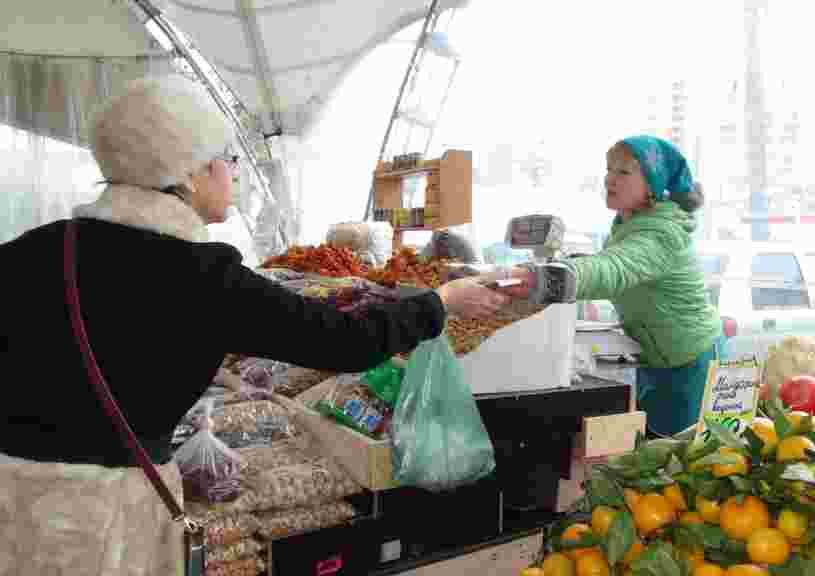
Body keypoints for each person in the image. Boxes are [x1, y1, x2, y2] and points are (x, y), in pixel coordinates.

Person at [0, 75, 507, 576]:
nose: (236, 173)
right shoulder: (201, 276)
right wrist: (441, 300)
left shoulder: (38, 248)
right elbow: (345, 342)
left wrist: (210, 371)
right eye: (229, 158)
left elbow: (96, 341)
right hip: (109, 526)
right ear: (190, 172)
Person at [503, 136, 721, 437]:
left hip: (688, 362)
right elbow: (612, 263)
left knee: (677, 463)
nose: (609, 179)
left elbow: (613, 269)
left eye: (624, 172)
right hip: (656, 356)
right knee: (653, 451)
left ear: (654, 185)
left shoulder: (661, 234)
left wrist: (542, 278)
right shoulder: (630, 225)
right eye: (609, 169)